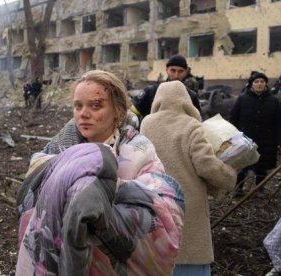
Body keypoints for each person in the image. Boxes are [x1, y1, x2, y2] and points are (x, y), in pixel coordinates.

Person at [16, 70, 185, 275]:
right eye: (78, 106)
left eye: (96, 105)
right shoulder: (55, 152)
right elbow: (32, 206)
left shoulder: (139, 152)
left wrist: (99, 196)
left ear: (118, 110)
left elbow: (163, 214)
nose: (84, 114)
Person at [140, 81, 237, 276]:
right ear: (186, 101)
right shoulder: (191, 126)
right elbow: (206, 165)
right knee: (189, 260)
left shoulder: (147, 124)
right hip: (187, 207)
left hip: (154, 202)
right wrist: (229, 175)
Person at [230, 72, 281, 197]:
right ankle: (238, 188)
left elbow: (280, 122)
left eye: (262, 82)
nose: (259, 84)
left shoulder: (273, 101)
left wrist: (280, 140)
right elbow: (234, 117)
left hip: (266, 139)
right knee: (242, 165)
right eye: (256, 82)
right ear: (251, 84)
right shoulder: (242, 98)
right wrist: (233, 135)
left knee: (262, 166)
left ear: (266, 84)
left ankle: (259, 189)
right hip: (245, 139)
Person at [131, 54, 201, 121]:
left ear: (185, 72)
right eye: (173, 70)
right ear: (167, 70)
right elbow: (132, 114)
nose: (176, 75)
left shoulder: (191, 97)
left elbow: (197, 121)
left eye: (180, 71)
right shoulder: (150, 92)